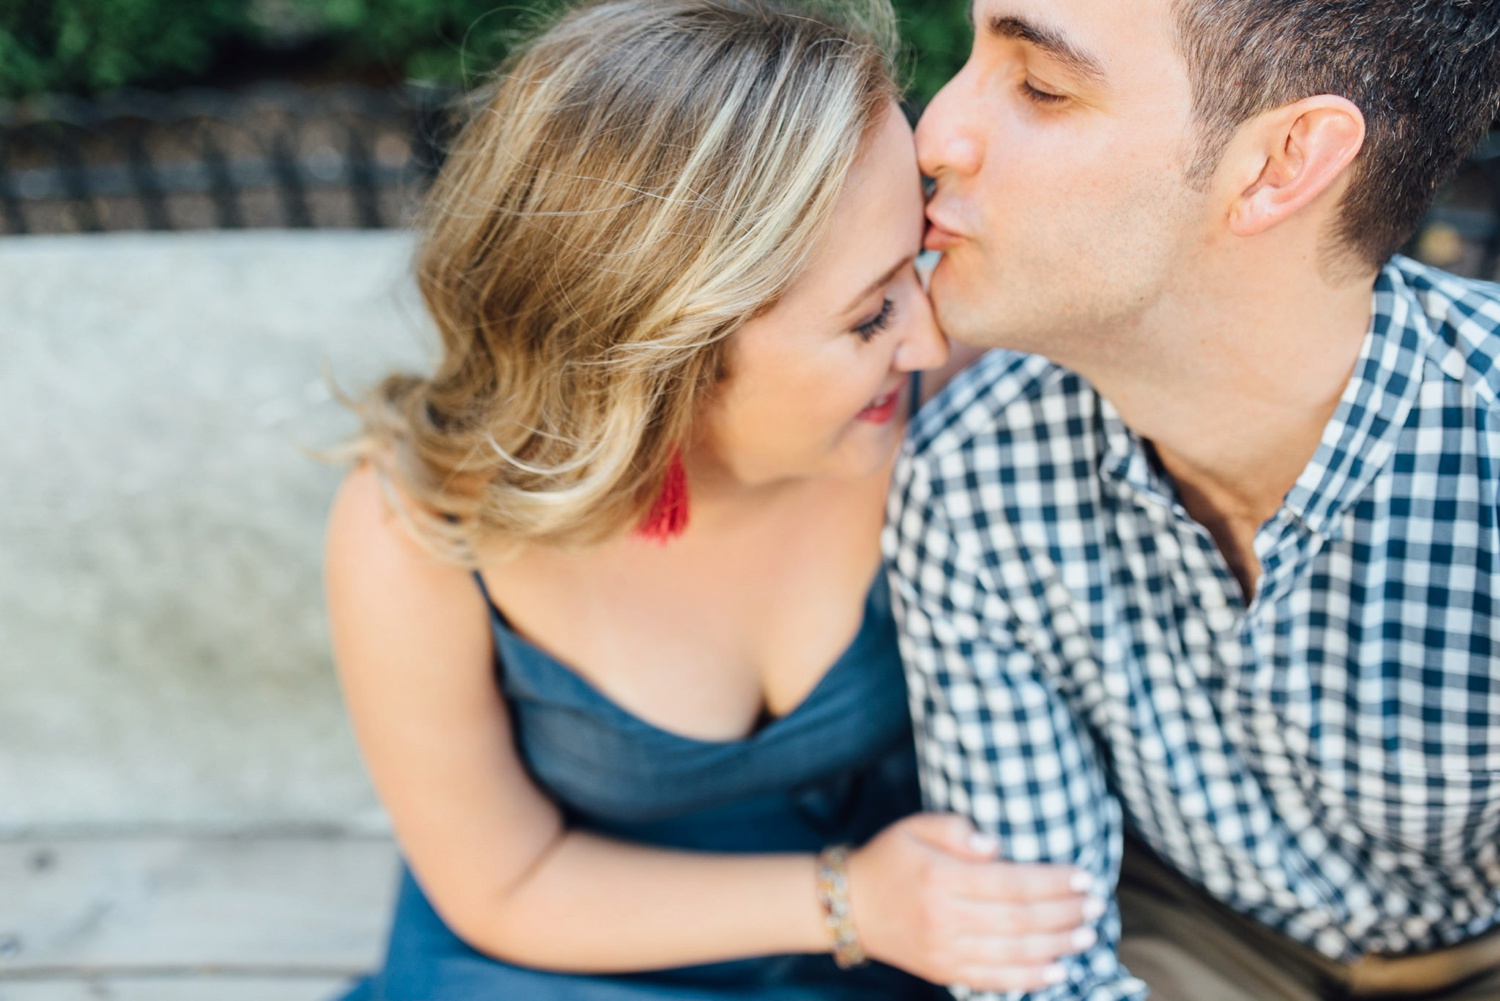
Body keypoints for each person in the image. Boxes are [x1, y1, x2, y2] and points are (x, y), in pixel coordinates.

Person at [324, 1, 1102, 998]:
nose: (929, 341)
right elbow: (505, 882)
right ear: (666, 365)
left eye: (918, 263)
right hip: (580, 958)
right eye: (870, 316)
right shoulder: (417, 528)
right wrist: (850, 900)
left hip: (925, 952)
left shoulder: (962, 406)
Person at [887, 0, 1500, 998]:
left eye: (1041, 85)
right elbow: (1038, 962)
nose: (935, 133)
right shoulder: (973, 473)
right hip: (1193, 944)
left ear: (1283, 162)